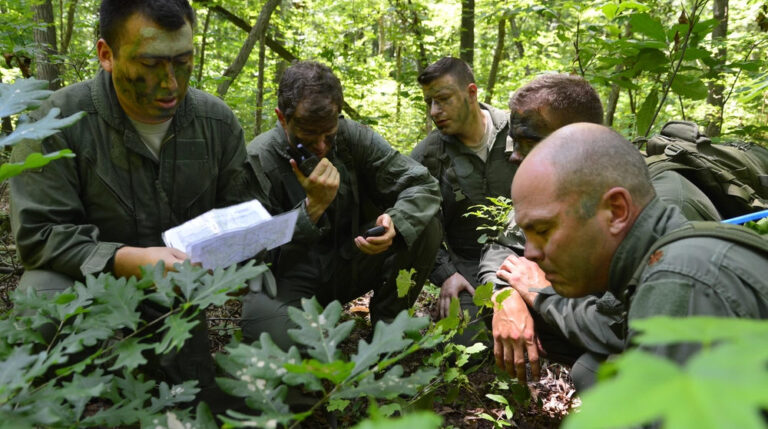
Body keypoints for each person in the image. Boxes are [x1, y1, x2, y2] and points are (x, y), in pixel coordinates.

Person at [9, 0, 254, 409]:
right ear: (107, 55)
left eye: (183, 61)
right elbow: (40, 235)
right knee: (43, 304)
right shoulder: (56, 120)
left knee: (191, 402)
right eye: (152, 64)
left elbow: (238, 212)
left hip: (176, 293)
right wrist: (127, 259)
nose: (171, 83)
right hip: (85, 285)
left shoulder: (217, 124)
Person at [477, 73, 722, 387]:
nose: (512, 154)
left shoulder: (665, 203)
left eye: (528, 142)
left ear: (575, 137)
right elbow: (502, 248)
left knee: (595, 375)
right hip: (604, 310)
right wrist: (504, 294)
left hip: (687, 340)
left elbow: (628, 325)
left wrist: (541, 295)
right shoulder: (562, 183)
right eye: (515, 141)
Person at [506, 123, 768, 383]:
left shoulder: (679, 283)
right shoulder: (673, 257)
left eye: (543, 230)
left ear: (616, 211)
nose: (530, 253)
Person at [241, 61, 442, 350]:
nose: (322, 145)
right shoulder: (259, 159)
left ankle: (388, 336)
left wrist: (395, 222)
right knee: (273, 344)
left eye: (329, 133)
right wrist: (311, 210)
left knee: (424, 224)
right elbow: (250, 255)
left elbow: (422, 185)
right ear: (282, 119)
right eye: (309, 134)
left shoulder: (353, 138)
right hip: (287, 281)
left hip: (349, 262)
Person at [410, 57, 516, 346]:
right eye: (429, 102)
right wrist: (446, 274)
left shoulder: (518, 135)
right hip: (466, 267)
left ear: (472, 92)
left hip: (523, 259)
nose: (434, 111)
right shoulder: (429, 154)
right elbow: (411, 221)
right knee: (470, 344)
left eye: (443, 100)